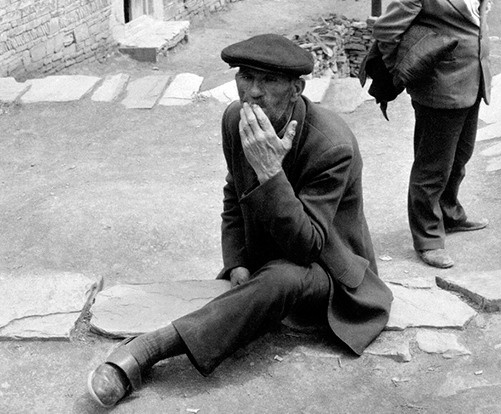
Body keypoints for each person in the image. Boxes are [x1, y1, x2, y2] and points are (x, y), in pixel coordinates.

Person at [88, 33, 392, 408]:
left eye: (269, 80)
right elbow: (234, 192)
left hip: (330, 272)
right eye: (246, 77)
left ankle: (149, 348)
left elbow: (308, 246)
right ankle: (248, 297)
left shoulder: (332, 145)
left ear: (296, 89)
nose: (253, 92)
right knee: (273, 276)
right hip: (271, 256)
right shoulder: (236, 119)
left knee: (284, 277)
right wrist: (236, 261)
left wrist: (270, 172)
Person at [372, 0, 491, 269]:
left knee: (459, 158)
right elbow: (387, 31)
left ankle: (450, 213)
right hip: (440, 90)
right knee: (432, 168)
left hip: (471, 83)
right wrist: (406, 72)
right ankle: (427, 238)